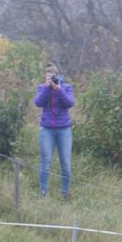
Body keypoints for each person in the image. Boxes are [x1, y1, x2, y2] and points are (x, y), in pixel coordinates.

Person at [33, 60, 75, 199]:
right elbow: (38, 102)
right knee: (46, 162)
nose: (50, 77)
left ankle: (66, 193)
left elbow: (69, 103)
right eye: (47, 74)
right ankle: (43, 193)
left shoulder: (66, 87)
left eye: (52, 74)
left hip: (64, 130)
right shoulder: (42, 87)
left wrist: (58, 89)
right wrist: (46, 88)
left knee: (66, 163)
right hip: (47, 129)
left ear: (57, 75)